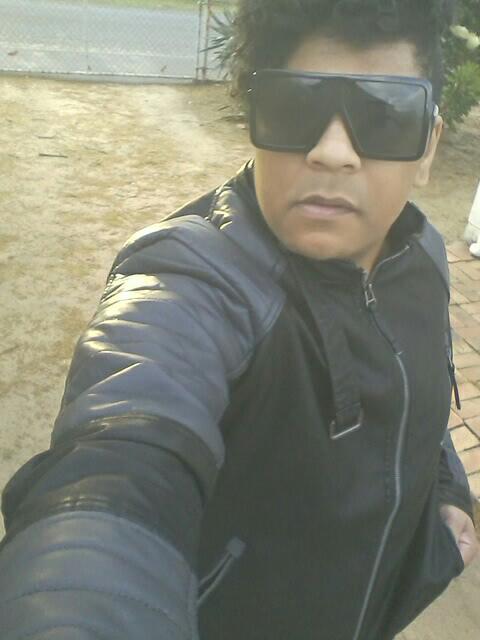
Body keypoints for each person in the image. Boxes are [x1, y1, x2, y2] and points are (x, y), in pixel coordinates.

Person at [0, 1, 478, 638]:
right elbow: (118, 466)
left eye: (384, 115)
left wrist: (445, 486)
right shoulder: (193, 278)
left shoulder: (422, 254)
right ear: (254, 121)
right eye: (295, 107)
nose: (333, 151)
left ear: (427, 146)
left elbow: (415, 381)